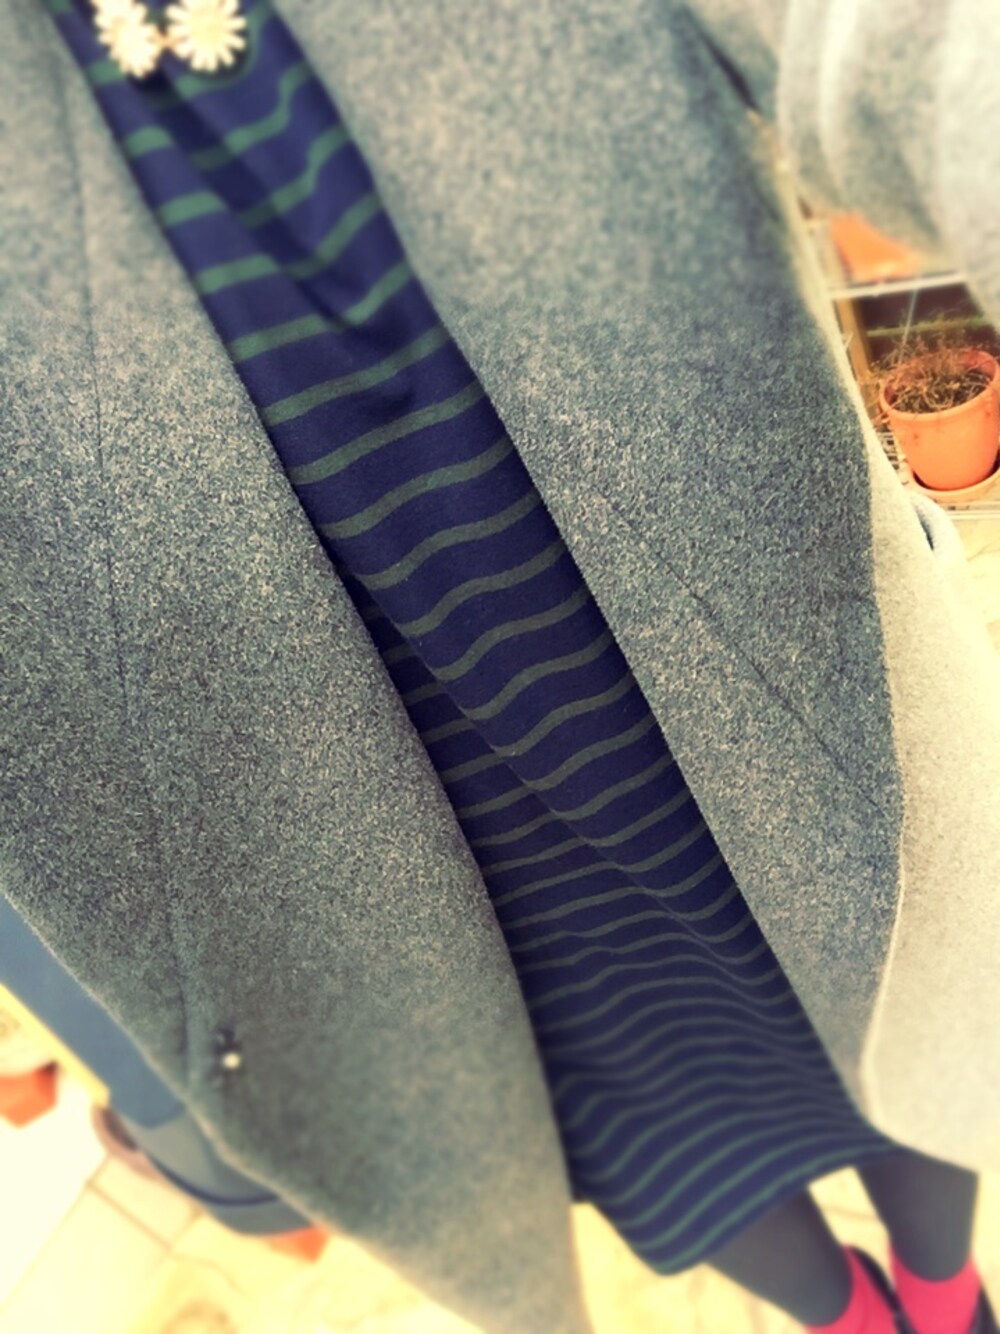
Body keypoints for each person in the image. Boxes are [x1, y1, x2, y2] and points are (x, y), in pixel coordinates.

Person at [2, 0, 998, 1330]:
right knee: (644, 1114)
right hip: (373, 840)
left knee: (904, 990)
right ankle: (853, 1321)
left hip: (759, 650)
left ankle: (942, 1294)